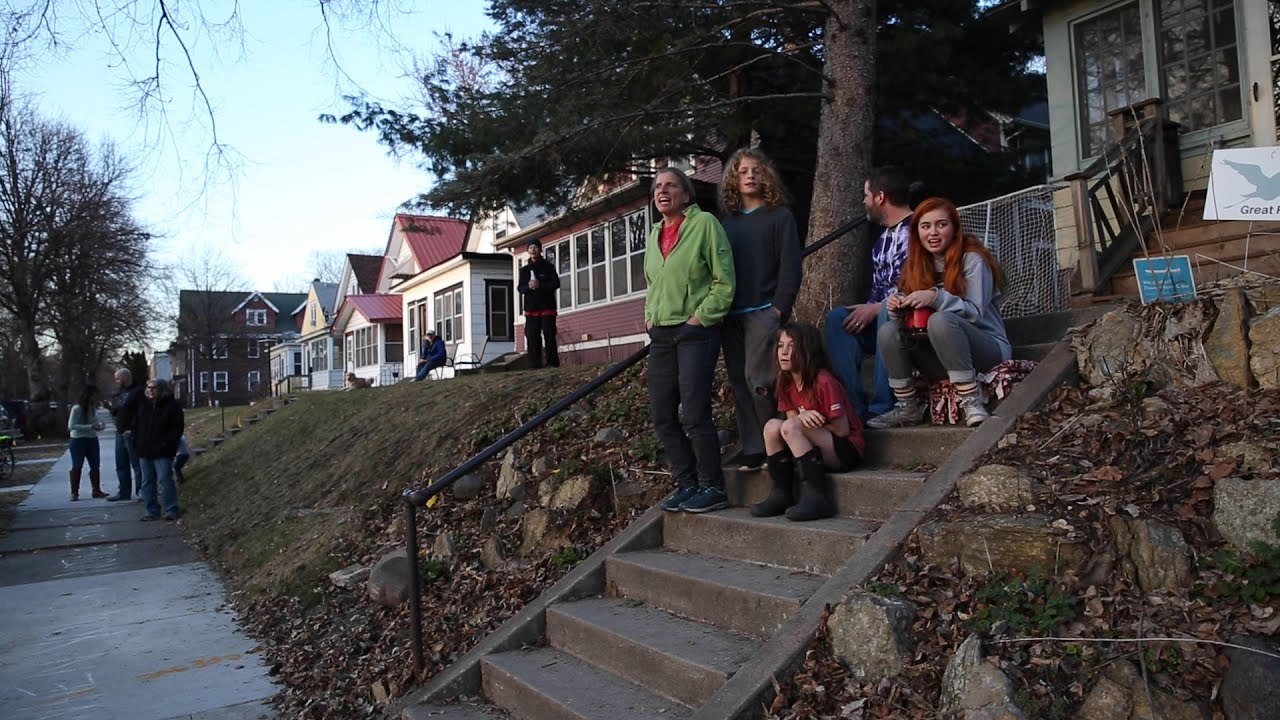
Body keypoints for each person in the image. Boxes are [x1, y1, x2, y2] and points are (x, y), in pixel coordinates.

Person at [868, 197, 1011, 429]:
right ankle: (908, 407)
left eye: (941, 225)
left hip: (986, 351)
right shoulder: (915, 265)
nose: (933, 233)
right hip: (939, 355)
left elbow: (975, 313)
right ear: (917, 232)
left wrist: (935, 297)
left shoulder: (973, 259)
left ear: (954, 228)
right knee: (889, 330)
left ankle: (972, 402)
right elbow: (910, 325)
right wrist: (897, 308)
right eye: (925, 226)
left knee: (941, 320)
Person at [645, 167, 736, 514]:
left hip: (695, 332)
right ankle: (687, 483)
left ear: (686, 194)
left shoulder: (705, 225)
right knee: (662, 414)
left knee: (695, 411)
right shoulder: (654, 235)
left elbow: (724, 279)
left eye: (670, 185)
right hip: (662, 335)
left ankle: (712, 486)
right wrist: (649, 316)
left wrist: (701, 317)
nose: (662, 191)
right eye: (657, 187)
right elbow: (653, 284)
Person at [718, 148, 803, 472]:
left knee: (760, 379)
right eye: (742, 171)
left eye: (756, 170)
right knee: (740, 380)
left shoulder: (779, 216)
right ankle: (753, 445)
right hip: (730, 314)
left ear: (765, 175)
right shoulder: (728, 223)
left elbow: (791, 266)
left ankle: (777, 443)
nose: (750, 175)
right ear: (734, 180)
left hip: (764, 311)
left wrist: (779, 308)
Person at [823, 166, 918, 421]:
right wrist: (867, 309)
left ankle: (882, 406)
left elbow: (917, 286)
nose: (864, 202)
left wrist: (876, 309)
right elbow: (877, 292)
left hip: (911, 318)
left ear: (880, 197)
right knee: (837, 320)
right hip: (882, 314)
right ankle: (852, 408)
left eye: (866, 195)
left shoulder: (918, 230)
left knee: (889, 312)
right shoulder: (881, 240)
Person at [752, 324, 865, 521]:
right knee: (772, 427)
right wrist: (800, 420)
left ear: (807, 349)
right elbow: (790, 423)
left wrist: (804, 422)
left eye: (792, 346)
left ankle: (818, 497)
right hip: (812, 451)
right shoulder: (784, 381)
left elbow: (842, 430)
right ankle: (782, 493)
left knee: (792, 425)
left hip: (844, 450)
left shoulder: (823, 381)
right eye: (780, 346)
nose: (784, 352)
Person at [133, 379, 185, 521]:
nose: (150, 390)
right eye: (148, 387)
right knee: (147, 481)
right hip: (145, 449)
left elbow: (177, 429)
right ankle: (152, 510)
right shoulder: (144, 405)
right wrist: (137, 442)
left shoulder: (172, 406)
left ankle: (171, 509)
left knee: (164, 478)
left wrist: (165, 443)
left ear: (162, 390)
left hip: (163, 450)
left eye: (154, 388)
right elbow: (137, 425)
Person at [518, 238, 561, 369]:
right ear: (528, 251)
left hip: (547, 307)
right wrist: (529, 287)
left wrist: (540, 285)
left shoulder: (548, 267)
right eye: (530, 247)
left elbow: (555, 284)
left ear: (540, 250)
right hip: (531, 309)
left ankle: (552, 363)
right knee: (532, 336)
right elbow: (520, 288)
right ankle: (534, 364)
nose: (533, 250)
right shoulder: (524, 270)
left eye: (535, 247)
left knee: (549, 335)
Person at [105, 368, 143, 501]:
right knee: (121, 464)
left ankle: (142, 492)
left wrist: (133, 428)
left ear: (125, 377)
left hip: (131, 433)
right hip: (120, 432)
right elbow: (118, 411)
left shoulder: (138, 391)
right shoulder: (122, 393)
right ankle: (124, 492)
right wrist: (110, 408)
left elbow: (141, 412)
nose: (116, 381)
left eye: (117, 378)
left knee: (136, 463)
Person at [66, 386, 108, 500]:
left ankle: (96, 490)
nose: (97, 397)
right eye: (95, 395)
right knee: (77, 465)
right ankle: (74, 492)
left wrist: (100, 424)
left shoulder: (92, 407)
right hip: (78, 440)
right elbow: (71, 426)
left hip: (92, 439)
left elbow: (95, 419)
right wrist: (90, 427)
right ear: (88, 395)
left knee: (95, 465)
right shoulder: (77, 408)